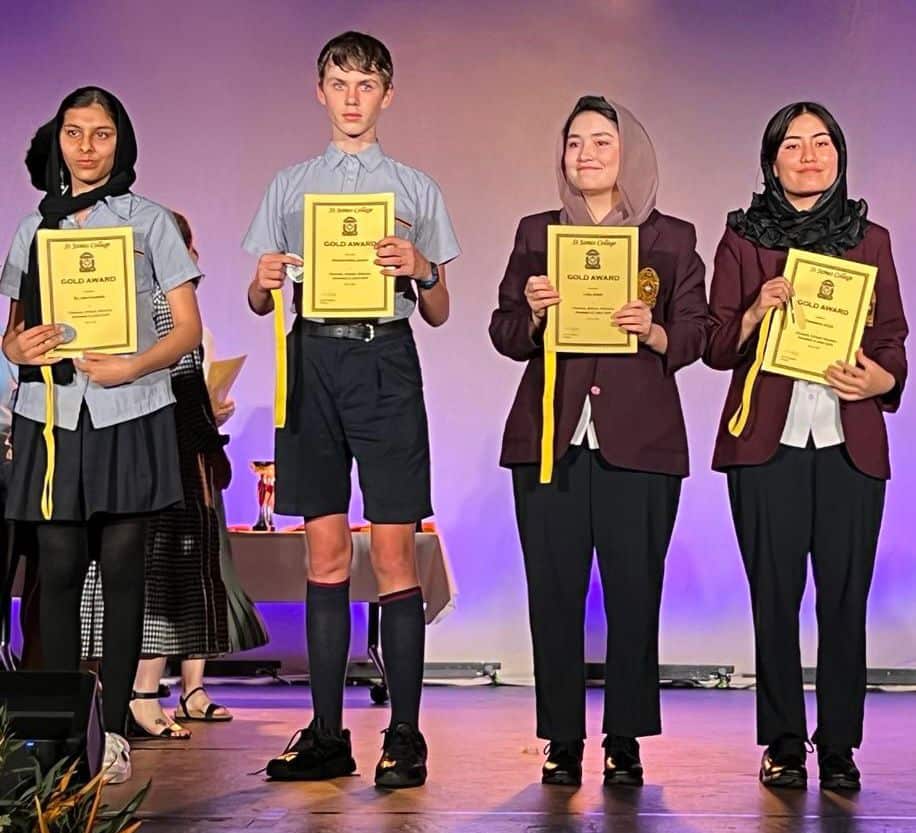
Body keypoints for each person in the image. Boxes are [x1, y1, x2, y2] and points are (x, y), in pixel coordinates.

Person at [243, 31, 460, 789]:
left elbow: (438, 309)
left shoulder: (414, 188)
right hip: (313, 357)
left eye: (366, 85)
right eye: (339, 83)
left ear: (387, 95)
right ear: (320, 90)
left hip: (386, 357)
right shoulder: (289, 184)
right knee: (324, 553)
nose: (352, 98)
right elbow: (258, 295)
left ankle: (404, 734)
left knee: (396, 554)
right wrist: (265, 279)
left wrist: (421, 267)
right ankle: (329, 733)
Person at [489, 95, 707, 787]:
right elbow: (501, 330)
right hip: (549, 438)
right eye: (575, 142)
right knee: (552, 593)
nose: (586, 154)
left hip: (639, 443)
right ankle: (560, 737)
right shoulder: (537, 233)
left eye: (601, 142)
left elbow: (699, 332)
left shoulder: (671, 237)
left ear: (628, 155)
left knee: (635, 591)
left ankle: (624, 736)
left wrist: (655, 330)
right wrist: (531, 314)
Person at [0, 86, 203, 783]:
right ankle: (57, 734)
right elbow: (13, 332)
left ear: (124, 143)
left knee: (121, 574)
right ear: (58, 141)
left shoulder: (150, 224)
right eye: (75, 133)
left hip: (132, 409)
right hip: (52, 417)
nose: (88, 147)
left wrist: (130, 364)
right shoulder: (34, 229)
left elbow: (187, 329)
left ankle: (111, 729)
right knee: (53, 573)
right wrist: (18, 350)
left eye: (103, 134)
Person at [704, 101, 907, 791]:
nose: (810, 156)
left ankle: (841, 743)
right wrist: (758, 308)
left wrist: (874, 378)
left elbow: (892, 342)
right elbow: (713, 342)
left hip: (849, 443)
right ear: (772, 158)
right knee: (775, 596)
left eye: (822, 143)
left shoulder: (870, 238)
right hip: (769, 441)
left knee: (845, 599)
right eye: (794, 145)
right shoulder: (741, 240)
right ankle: (785, 741)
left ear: (839, 156)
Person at [80, 211, 245, 739]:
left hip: (136, 450)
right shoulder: (160, 304)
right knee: (158, 578)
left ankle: (131, 692)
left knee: (138, 576)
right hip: (164, 455)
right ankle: (142, 695)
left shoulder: (125, 302)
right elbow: (184, 384)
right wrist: (211, 447)